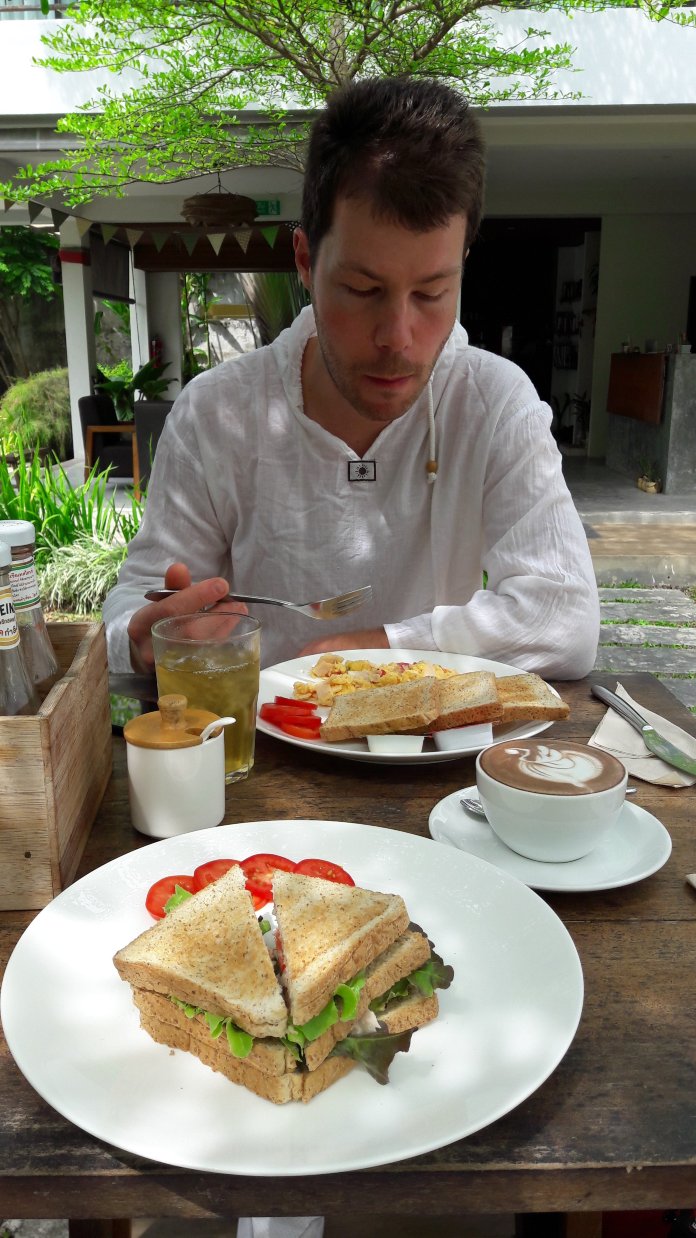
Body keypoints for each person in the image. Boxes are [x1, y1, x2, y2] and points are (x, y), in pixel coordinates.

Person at [103, 75, 599, 678]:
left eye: (433, 292)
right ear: (306, 262)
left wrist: (382, 648)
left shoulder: (492, 402)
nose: (399, 336)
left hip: (436, 756)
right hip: (259, 757)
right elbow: (139, 602)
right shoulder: (217, 413)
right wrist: (145, 639)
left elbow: (565, 618)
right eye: (364, 290)